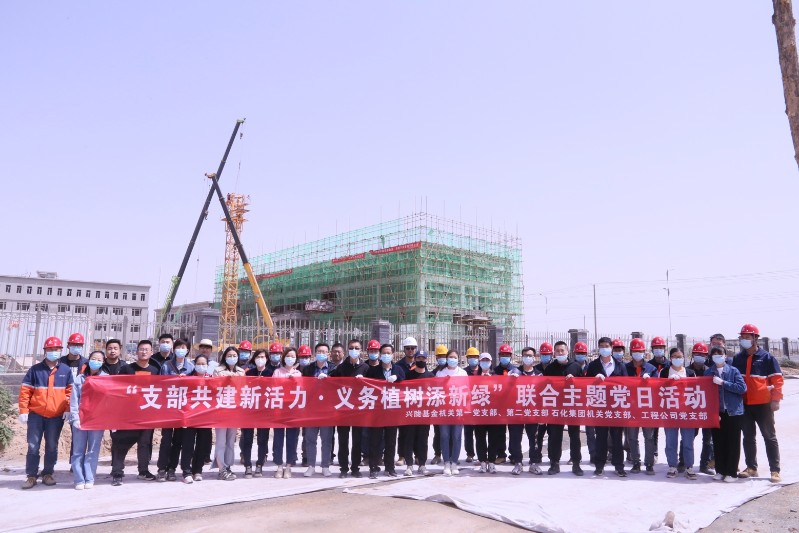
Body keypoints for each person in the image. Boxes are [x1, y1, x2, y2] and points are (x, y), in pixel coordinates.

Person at [19, 336, 74, 489]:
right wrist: (23, 410)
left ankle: (48, 473)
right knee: (33, 445)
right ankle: (31, 476)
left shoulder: (65, 370)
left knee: (51, 446)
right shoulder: (35, 370)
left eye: (56, 349)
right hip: (36, 415)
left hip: (56, 416)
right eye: (50, 349)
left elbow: (70, 392)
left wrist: (68, 409)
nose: (53, 351)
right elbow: (25, 391)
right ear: (45, 351)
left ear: (61, 351)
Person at [733, 323, 784, 483]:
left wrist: (775, 399)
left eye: (747, 337)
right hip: (745, 404)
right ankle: (751, 467)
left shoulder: (767, 358)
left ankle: (775, 470)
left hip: (763, 405)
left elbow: (777, 380)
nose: (744, 340)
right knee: (748, 437)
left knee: (769, 437)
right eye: (742, 337)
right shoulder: (738, 358)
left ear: (755, 338)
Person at [111, 340, 160, 486]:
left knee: (144, 443)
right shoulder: (127, 369)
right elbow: (118, 388)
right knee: (122, 442)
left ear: (151, 352)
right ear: (137, 352)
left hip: (147, 413)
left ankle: (143, 471)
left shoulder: (156, 370)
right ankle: (117, 472)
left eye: (147, 349)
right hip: (129, 413)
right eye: (141, 349)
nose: (144, 352)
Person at [586, 337, 628, 477]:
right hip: (600, 406)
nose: (604, 349)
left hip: (616, 406)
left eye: (606, 346)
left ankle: (619, 466)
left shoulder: (620, 366)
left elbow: (627, 385)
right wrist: (594, 380)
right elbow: (586, 385)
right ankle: (599, 465)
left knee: (617, 438)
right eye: (602, 346)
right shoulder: (593, 366)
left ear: (611, 347)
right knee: (601, 437)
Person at [706, 346, 747, 483]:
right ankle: (720, 470)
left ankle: (731, 472)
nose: (718, 357)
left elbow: (742, 388)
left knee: (733, 442)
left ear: (725, 356)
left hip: (733, 412)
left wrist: (723, 383)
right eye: (715, 355)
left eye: (720, 354)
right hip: (717, 412)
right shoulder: (708, 372)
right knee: (718, 442)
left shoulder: (733, 371)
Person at [543, 341, 584, 476]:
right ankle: (554, 463)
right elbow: (544, 387)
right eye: (557, 351)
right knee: (554, 436)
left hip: (572, 406)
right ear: (554, 353)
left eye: (562, 350)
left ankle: (576, 463)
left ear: (567, 352)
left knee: (574, 436)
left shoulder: (576, 367)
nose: (560, 353)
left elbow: (584, 386)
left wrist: (575, 381)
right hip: (556, 407)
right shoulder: (550, 368)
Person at [365, 343, 405, 478]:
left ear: (393, 355)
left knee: (391, 441)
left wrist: (397, 378)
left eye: (388, 353)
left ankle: (390, 467)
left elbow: (405, 383)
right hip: (377, 411)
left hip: (392, 411)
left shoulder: (398, 369)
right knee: (375, 440)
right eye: (384, 353)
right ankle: (373, 467)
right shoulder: (373, 370)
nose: (386, 355)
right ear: (380, 355)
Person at [156, 338, 193, 482]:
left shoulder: (191, 367)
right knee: (166, 439)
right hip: (169, 407)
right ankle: (161, 469)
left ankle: (172, 469)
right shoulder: (166, 366)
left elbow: (194, 388)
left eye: (183, 347)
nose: (180, 350)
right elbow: (160, 385)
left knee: (178, 440)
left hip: (183, 409)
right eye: (178, 347)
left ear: (188, 350)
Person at [330, 339, 368, 478]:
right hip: (344, 409)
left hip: (359, 410)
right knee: (343, 440)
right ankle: (344, 468)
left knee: (357, 441)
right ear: (348, 350)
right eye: (351, 348)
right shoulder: (341, 368)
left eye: (357, 348)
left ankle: (355, 468)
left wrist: (364, 380)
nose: (354, 350)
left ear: (361, 350)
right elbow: (331, 383)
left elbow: (374, 386)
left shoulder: (365, 368)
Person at [69, 350, 106, 489]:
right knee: (78, 450)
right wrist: (75, 418)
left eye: (99, 359)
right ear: (89, 360)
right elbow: (74, 400)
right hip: (81, 419)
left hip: (97, 420)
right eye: (93, 358)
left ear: (103, 362)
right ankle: (79, 479)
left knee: (93, 451)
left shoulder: (106, 379)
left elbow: (109, 401)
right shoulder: (79, 379)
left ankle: (89, 478)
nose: (96, 361)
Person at [660, 348, 698, 480]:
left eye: (680, 356)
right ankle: (672, 466)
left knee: (688, 441)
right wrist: (668, 381)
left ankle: (689, 467)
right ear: (670, 358)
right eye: (675, 356)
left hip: (687, 412)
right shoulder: (664, 372)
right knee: (671, 441)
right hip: (670, 411)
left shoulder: (690, 372)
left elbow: (696, 390)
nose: (678, 359)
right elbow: (657, 389)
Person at [301, 342, 337, 477]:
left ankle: (325, 466)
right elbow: (302, 386)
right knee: (310, 439)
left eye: (324, 352)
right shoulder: (308, 369)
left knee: (326, 439)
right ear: (315, 353)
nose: (322, 354)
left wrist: (329, 379)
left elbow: (339, 385)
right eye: (319, 352)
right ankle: (311, 465)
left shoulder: (334, 368)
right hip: (312, 409)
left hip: (327, 410)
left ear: (328, 354)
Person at [509, 345, 543, 475]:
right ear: (522, 357)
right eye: (525, 355)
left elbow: (543, 393)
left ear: (534, 357)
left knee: (534, 438)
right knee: (515, 438)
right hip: (517, 411)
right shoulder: (514, 372)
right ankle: (518, 462)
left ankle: (533, 463)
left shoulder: (539, 374)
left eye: (530, 355)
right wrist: (511, 381)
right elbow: (506, 389)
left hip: (532, 412)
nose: (528, 358)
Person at [213, 346, 246, 480]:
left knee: (231, 441)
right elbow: (214, 388)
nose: (232, 358)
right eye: (229, 355)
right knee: (221, 441)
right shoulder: (218, 371)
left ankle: (228, 466)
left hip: (234, 410)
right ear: (225, 357)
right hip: (221, 410)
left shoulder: (241, 372)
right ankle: (221, 468)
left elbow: (243, 389)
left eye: (234, 355)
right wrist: (227, 380)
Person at [625, 338, 657, 475]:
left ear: (645, 352)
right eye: (635, 351)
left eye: (640, 351)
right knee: (632, 438)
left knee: (649, 437)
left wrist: (651, 382)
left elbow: (658, 387)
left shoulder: (651, 369)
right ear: (631, 352)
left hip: (646, 408)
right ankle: (636, 462)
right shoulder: (625, 368)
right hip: (631, 408)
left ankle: (649, 464)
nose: (638, 353)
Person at [180, 355, 213, 483]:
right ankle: (186, 472)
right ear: (194, 365)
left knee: (202, 444)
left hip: (205, 417)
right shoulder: (188, 378)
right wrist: (181, 380)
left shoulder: (212, 379)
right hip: (191, 417)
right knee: (188, 444)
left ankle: (198, 470)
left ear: (207, 365)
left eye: (204, 364)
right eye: (199, 363)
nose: (201, 366)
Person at [272, 347, 303, 478]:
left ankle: (289, 465)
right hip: (279, 409)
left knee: (292, 439)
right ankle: (279, 465)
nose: (290, 358)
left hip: (293, 410)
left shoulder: (298, 374)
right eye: (288, 356)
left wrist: (294, 381)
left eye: (293, 356)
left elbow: (302, 390)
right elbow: (273, 388)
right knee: (278, 439)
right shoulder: (277, 372)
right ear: (284, 357)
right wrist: (284, 381)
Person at [403, 349, 434, 476]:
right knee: (409, 439)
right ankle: (409, 465)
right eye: (419, 358)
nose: (421, 360)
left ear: (426, 360)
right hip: (410, 413)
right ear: (415, 359)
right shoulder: (408, 376)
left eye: (423, 358)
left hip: (424, 414)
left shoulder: (431, 376)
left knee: (423, 440)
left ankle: (422, 464)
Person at [436, 349, 467, 476]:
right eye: (450, 357)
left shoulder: (463, 373)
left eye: (455, 357)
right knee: (444, 436)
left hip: (458, 409)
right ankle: (446, 463)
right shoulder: (440, 373)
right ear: (447, 358)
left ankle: (454, 462)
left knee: (456, 436)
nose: (452, 359)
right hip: (444, 410)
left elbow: (467, 391)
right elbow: (436, 390)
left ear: (458, 359)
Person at [241, 348, 271, 477]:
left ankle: (259, 464)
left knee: (262, 439)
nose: (260, 359)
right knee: (247, 439)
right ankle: (247, 465)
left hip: (264, 412)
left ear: (267, 359)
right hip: (249, 411)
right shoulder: (249, 373)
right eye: (258, 357)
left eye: (263, 357)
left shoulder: (271, 374)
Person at [473, 353, 503, 473]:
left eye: (487, 360)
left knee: (493, 438)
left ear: (491, 362)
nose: (485, 362)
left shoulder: (496, 377)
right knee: (480, 438)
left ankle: (491, 462)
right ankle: (482, 462)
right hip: (479, 413)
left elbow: (501, 392)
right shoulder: (474, 377)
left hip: (492, 413)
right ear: (479, 362)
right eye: (483, 360)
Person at [689, 342, 714, 475]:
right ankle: (684, 462)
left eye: (702, 354)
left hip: (707, 409)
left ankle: (705, 464)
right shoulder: (686, 371)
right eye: (697, 354)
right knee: (689, 437)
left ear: (706, 356)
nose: (699, 356)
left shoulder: (710, 371)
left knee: (708, 439)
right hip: (691, 409)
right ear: (692, 355)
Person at [394, 336, 418, 469]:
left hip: (417, 402)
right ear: (404, 350)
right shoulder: (398, 365)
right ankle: (402, 456)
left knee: (417, 431)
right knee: (403, 431)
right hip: (403, 402)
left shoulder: (420, 363)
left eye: (412, 348)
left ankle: (417, 455)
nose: (410, 350)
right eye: (408, 348)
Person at [492, 344, 516, 465]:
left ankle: (514, 454)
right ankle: (501, 455)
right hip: (499, 406)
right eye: (502, 355)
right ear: (499, 356)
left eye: (507, 355)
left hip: (512, 405)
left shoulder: (516, 370)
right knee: (499, 432)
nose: (505, 357)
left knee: (514, 432)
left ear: (511, 356)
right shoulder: (494, 371)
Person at [430, 344, 448, 465]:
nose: (442, 358)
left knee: (450, 433)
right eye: (439, 356)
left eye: (444, 356)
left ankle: (451, 455)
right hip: (438, 407)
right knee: (438, 433)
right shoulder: (433, 373)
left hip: (451, 407)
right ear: (436, 358)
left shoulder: (453, 371)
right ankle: (437, 454)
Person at [463, 346, 481, 463]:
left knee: (480, 433)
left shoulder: (483, 371)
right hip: (468, 406)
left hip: (480, 405)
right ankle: (470, 454)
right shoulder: (464, 372)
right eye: (470, 357)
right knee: (468, 432)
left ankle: (481, 454)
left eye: (475, 357)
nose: (473, 359)